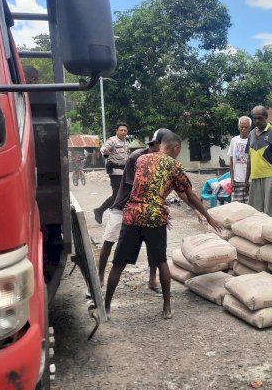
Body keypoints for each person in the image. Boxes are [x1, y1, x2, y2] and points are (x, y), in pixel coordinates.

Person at [103, 131, 224, 320]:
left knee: (118, 264)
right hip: (155, 217)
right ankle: (167, 308)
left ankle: (107, 308)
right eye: (179, 150)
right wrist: (207, 216)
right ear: (175, 147)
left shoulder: (141, 159)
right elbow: (190, 195)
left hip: (132, 215)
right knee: (161, 262)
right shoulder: (174, 165)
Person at [98, 128, 172, 290]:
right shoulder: (136, 158)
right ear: (157, 145)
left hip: (142, 208)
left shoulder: (161, 160)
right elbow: (137, 188)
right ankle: (100, 277)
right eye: (165, 147)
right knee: (110, 241)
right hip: (124, 205)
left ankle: (152, 279)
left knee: (153, 245)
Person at [245, 106, 272, 218]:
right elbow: (249, 158)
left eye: (260, 118)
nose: (257, 121)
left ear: (266, 117)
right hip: (254, 177)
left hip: (270, 177)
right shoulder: (251, 134)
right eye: (254, 118)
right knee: (254, 213)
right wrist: (246, 180)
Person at [94, 122, 130, 224]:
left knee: (125, 194)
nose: (123, 132)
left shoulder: (126, 143)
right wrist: (105, 151)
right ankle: (99, 210)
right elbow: (104, 149)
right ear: (116, 131)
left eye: (125, 130)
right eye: (121, 130)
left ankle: (118, 213)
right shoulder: (112, 140)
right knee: (117, 195)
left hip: (124, 172)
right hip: (115, 172)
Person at [227, 116, 252, 203]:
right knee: (236, 207)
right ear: (238, 127)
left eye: (246, 127)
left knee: (250, 208)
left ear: (250, 128)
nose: (243, 129)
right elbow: (231, 160)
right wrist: (232, 179)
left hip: (249, 181)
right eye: (242, 127)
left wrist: (248, 181)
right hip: (236, 181)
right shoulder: (234, 140)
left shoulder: (252, 141)